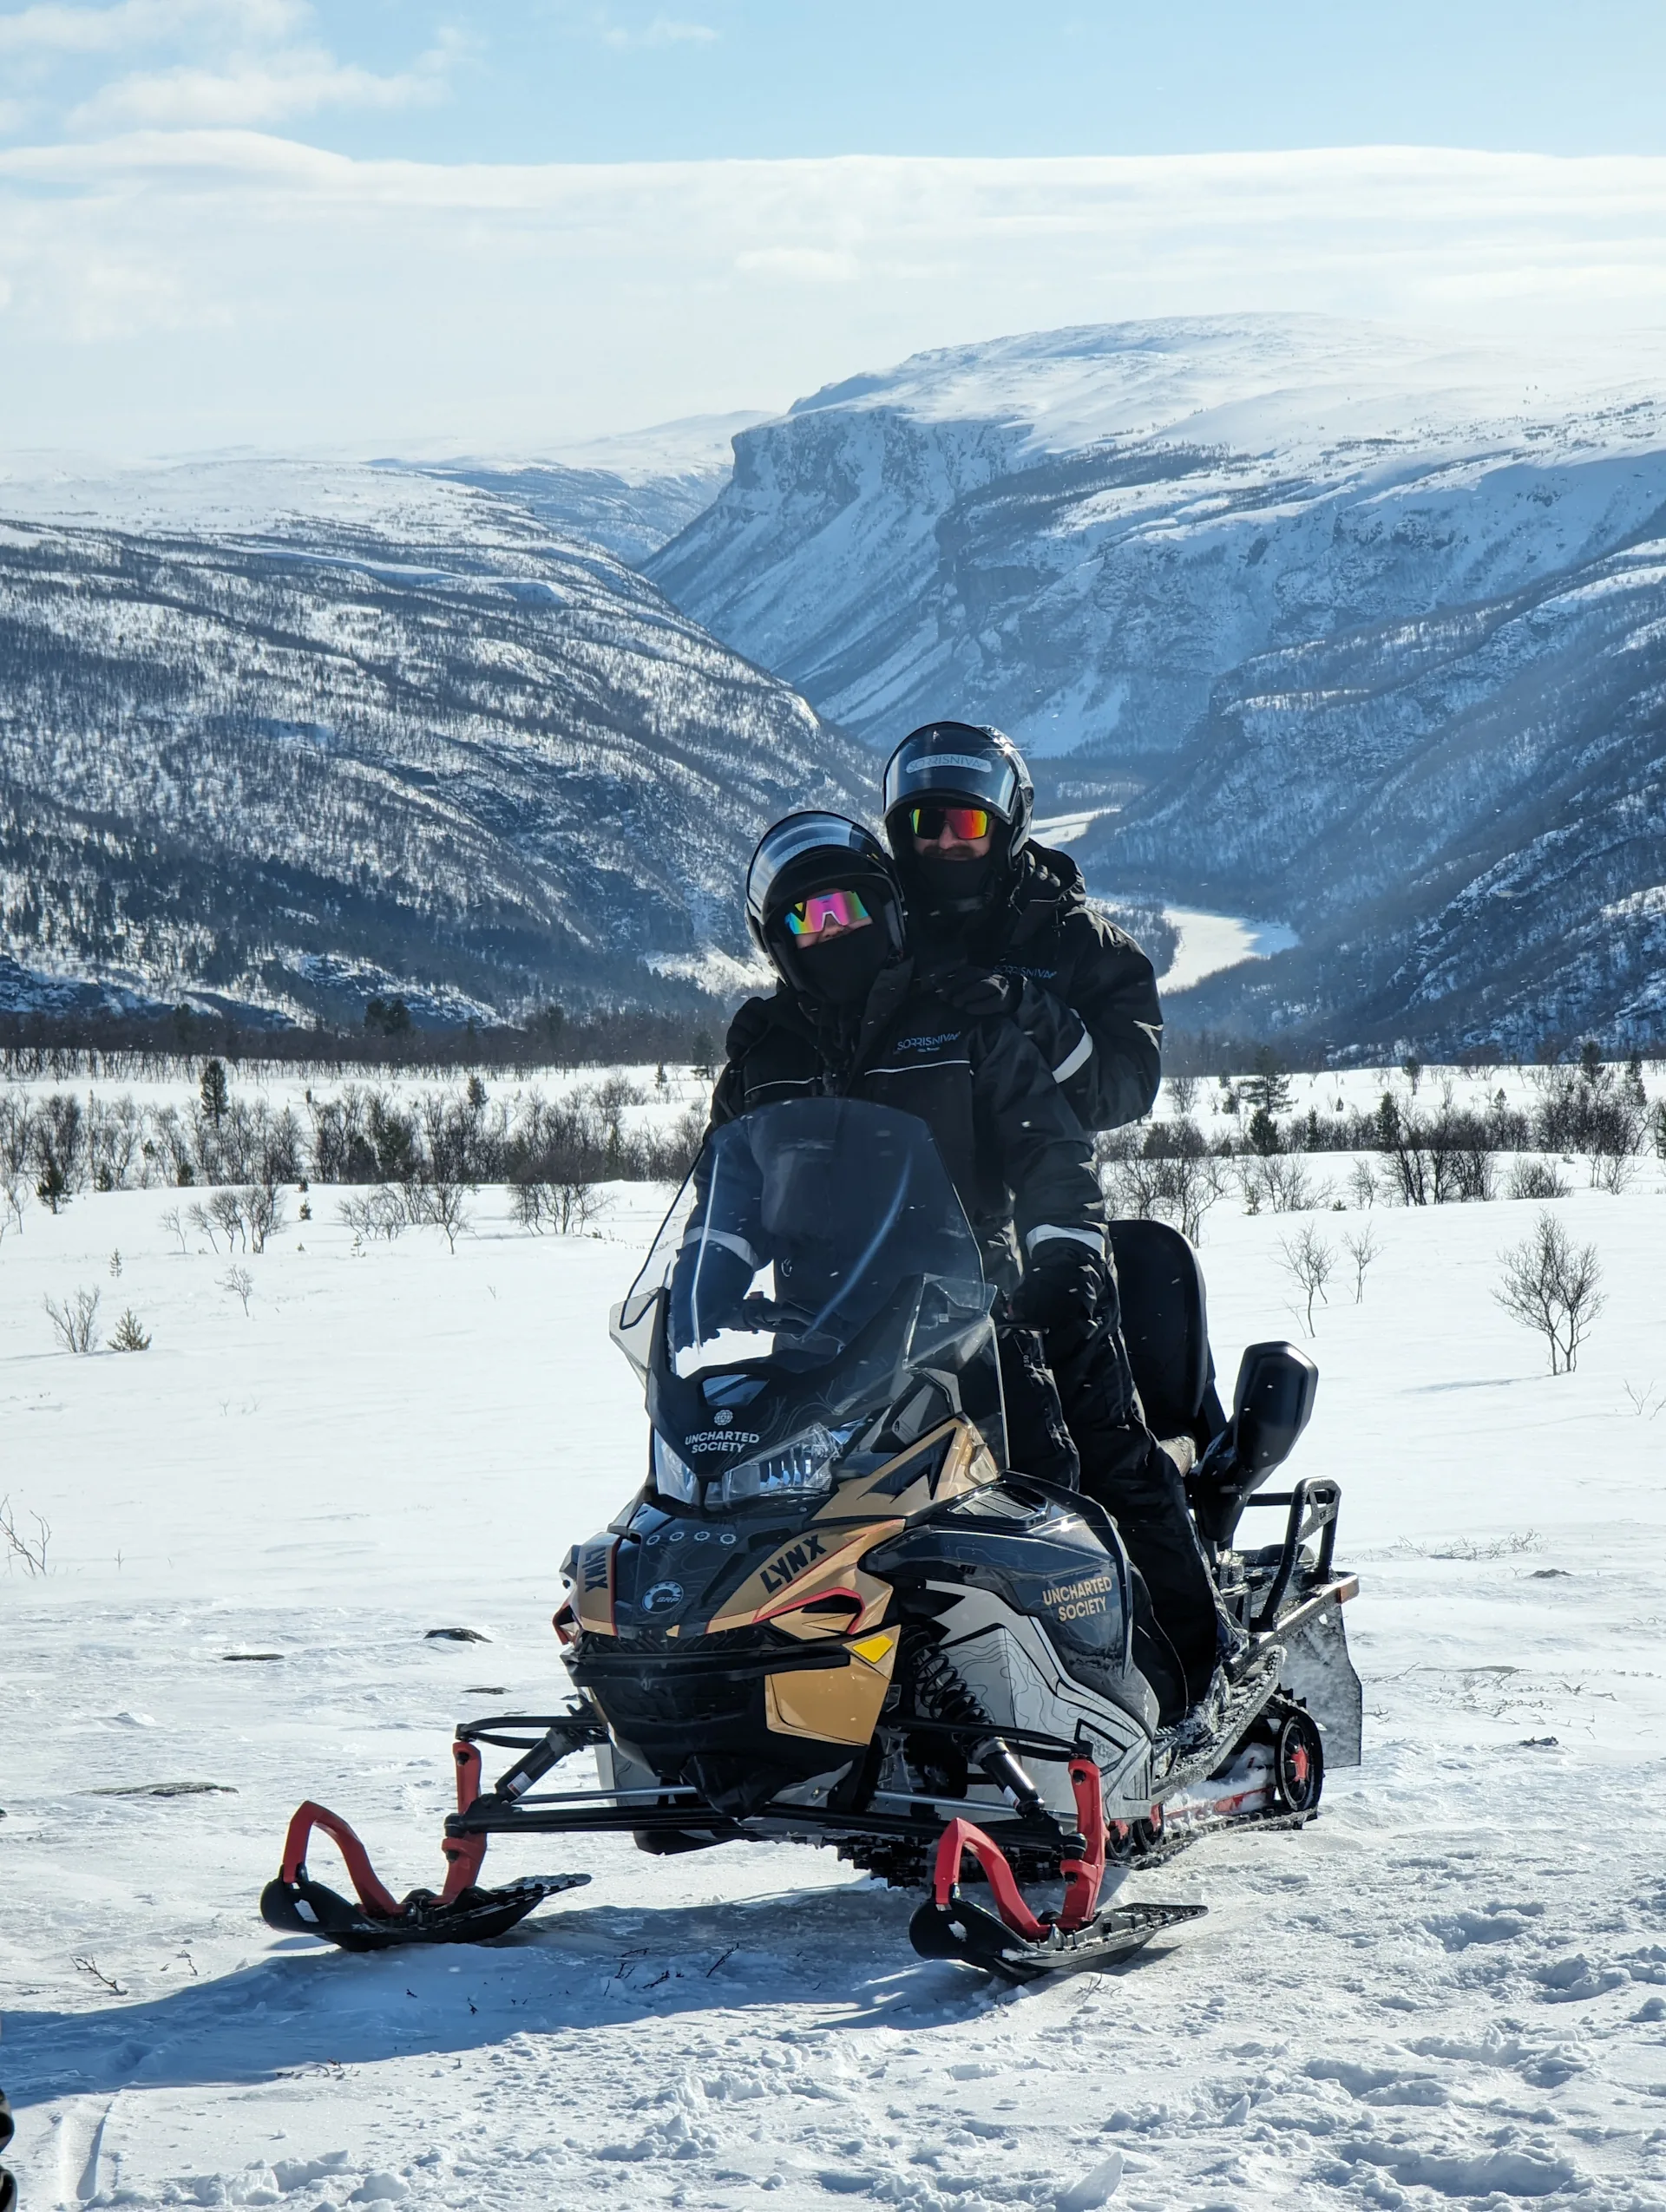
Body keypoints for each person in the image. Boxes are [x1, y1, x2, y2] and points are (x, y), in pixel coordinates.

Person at [706, 810, 1189, 1721]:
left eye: (849, 908)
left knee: (1050, 1500)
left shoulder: (959, 1018)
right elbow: (727, 1191)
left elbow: (1051, 1155)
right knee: (780, 1525)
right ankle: (794, 1714)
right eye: (808, 918)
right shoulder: (766, 1054)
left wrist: (1064, 1260)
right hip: (820, 1344)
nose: (833, 930)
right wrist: (707, 1280)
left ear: (887, 911)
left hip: (972, 1321)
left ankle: (1157, 1688)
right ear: (777, 941)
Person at [882, 722, 1232, 1709]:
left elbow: (1123, 1087)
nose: (943, 844)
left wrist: (1026, 1012)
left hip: (1043, 1225)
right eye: (924, 825)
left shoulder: (1072, 939)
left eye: (964, 825)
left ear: (1006, 828)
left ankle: (1185, 1670)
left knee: (1092, 1439)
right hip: (911, 1244)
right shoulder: (886, 924)